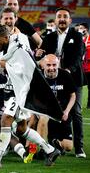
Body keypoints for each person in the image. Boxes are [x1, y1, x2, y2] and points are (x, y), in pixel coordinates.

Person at [0, 24, 61, 169]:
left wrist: (6, 66)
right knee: (20, 129)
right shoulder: (7, 48)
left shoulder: (19, 50)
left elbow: (25, 71)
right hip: (16, 90)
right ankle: (50, 150)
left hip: (22, 92)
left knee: (5, 120)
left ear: (7, 38)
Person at [37, 8, 86, 158]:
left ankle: (79, 148)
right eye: (59, 17)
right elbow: (41, 56)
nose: (62, 19)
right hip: (51, 79)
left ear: (70, 21)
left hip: (73, 80)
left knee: (76, 112)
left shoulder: (77, 36)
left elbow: (78, 57)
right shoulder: (49, 36)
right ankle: (46, 146)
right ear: (56, 20)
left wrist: (68, 71)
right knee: (46, 111)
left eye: (65, 17)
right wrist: (37, 54)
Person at [37, 54, 76, 155]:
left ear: (58, 64)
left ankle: (53, 143)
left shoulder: (65, 75)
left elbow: (73, 96)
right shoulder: (38, 77)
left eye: (54, 65)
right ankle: (44, 149)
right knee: (43, 118)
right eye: (48, 65)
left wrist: (67, 111)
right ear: (43, 65)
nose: (51, 68)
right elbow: (34, 97)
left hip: (62, 114)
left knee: (68, 147)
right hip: (46, 112)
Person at [77, 22, 90, 108]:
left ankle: (89, 105)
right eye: (79, 28)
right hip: (81, 68)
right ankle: (77, 104)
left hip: (89, 68)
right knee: (78, 87)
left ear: (86, 29)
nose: (80, 29)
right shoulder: (80, 40)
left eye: (81, 28)